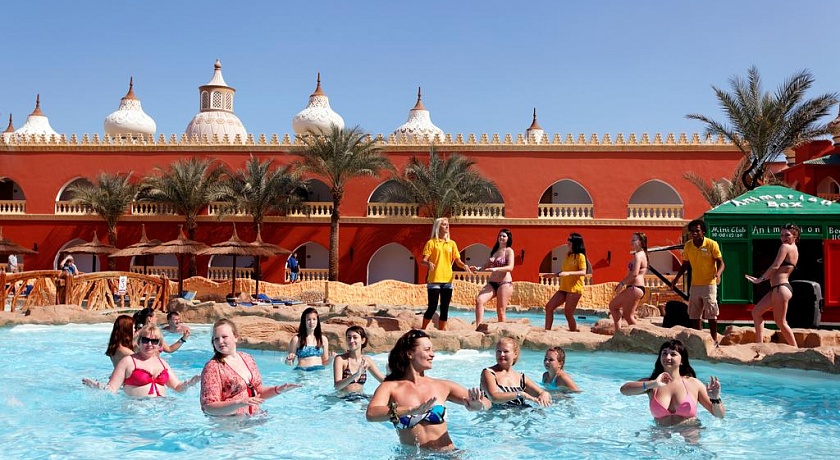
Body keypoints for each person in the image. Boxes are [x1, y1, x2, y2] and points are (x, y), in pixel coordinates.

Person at [366, 330, 490, 451]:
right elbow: (371, 414)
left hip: (447, 455)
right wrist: (411, 410)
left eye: (432, 350)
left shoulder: (441, 386)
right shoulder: (390, 387)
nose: (432, 354)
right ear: (409, 353)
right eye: (427, 350)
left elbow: (487, 402)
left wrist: (478, 405)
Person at [201, 319, 300, 415]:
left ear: (236, 337)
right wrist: (239, 403)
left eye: (224, 337)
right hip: (229, 422)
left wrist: (278, 390)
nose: (220, 341)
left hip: (253, 418)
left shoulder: (247, 358)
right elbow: (208, 407)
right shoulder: (213, 367)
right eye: (216, 339)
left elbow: (258, 391)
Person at [620, 339, 725, 427]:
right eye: (664, 353)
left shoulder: (694, 384)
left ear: (682, 361)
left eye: (673, 354)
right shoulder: (652, 383)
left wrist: (715, 399)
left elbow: (719, 415)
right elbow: (624, 390)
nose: (668, 357)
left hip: (689, 434)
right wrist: (653, 383)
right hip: (660, 435)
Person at [83, 324, 199, 397]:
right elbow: (112, 389)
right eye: (145, 340)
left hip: (162, 412)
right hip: (136, 411)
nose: (149, 344)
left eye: (154, 341)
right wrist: (98, 387)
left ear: (159, 345)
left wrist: (190, 383)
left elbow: (177, 388)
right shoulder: (128, 362)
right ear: (139, 342)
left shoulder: (163, 364)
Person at [746, 223, 800, 346]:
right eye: (782, 235)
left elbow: (775, 266)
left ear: (795, 236)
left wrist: (760, 279)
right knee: (756, 312)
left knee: (781, 322)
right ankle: (759, 345)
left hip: (781, 288)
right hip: (779, 288)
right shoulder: (794, 249)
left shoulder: (785, 247)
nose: (784, 238)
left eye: (787, 235)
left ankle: (796, 349)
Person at [673, 219, 725, 343]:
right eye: (692, 231)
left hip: (709, 284)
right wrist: (676, 279)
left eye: (697, 231)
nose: (694, 233)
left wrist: (718, 274)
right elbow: (685, 264)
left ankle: (714, 340)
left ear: (703, 232)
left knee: (711, 313)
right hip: (695, 284)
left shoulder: (712, 244)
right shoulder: (688, 246)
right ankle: (699, 339)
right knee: (694, 315)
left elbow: (721, 263)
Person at [421, 217, 472, 331]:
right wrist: (428, 263)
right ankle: (423, 329)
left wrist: (464, 266)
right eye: (444, 224)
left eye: (447, 224)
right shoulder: (431, 243)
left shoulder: (452, 244)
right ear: (438, 227)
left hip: (448, 280)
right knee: (432, 307)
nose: (447, 226)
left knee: (445, 308)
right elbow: (423, 260)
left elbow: (457, 261)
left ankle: (441, 332)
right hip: (434, 279)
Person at [481, 337, 551, 408]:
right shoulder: (489, 373)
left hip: (521, 413)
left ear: (515, 354)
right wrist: (520, 394)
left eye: (506, 351)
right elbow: (494, 397)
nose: (501, 354)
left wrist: (544, 394)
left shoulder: (521, 378)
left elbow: (541, 393)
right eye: (499, 351)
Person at [472, 229, 515, 331]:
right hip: (492, 283)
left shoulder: (509, 251)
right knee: (479, 300)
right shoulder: (494, 251)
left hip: (504, 283)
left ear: (508, 238)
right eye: (500, 236)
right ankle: (479, 327)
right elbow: (486, 265)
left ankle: (501, 332)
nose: (501, 237)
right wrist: (477, 269)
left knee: (500, 311)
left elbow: (510, 267)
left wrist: (496, 269)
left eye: (504, 236)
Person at [544, 233, 588, 331]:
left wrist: (569, 273)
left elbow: (583, 272)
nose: (568, 242)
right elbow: (564, 272)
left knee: (568, 313)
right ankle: (547, 330)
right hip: (564, 288)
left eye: (570, 240)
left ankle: (573, 332)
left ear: (576, 242)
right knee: (549, 307)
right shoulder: (568, 255)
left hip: (574, 289)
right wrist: (553, 275)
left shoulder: (580, 256)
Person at [609, 232, 649, 330]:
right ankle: (621, 333)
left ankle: (619, 333)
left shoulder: (638, 255)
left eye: (634, 240)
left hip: (634, 288)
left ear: (640, 242)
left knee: (614, 306)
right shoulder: (642, 254)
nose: (631, 242)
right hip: (636, 288)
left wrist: (622, 283)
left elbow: (634, 274)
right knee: (627, 315)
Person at [333, 326, 385, 395]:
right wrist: (355, 375)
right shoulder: (341, 359)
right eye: (349, 337)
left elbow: (383, 380)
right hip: (344, 398)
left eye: (355, 337)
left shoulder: (366, 360)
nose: (351, 340)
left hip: (361, 396)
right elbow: (337, 386)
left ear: (363, 340)